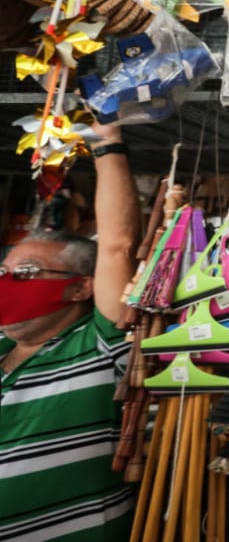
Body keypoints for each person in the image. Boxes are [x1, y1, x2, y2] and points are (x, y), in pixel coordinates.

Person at [0, 123, 140, 541]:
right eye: (4, 273)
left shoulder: (100, 345)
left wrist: (107, 142)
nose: (8, 284)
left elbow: (117, 243)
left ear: (81, 286)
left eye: (25, 274)